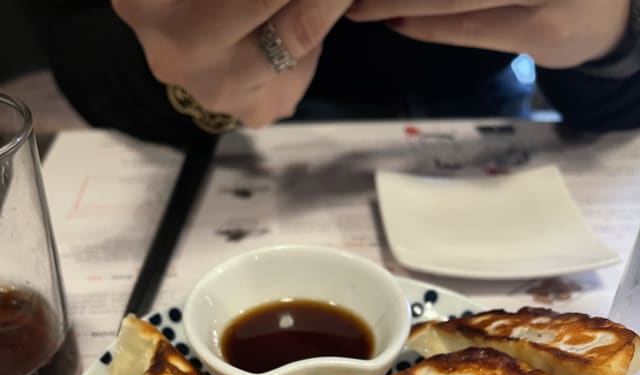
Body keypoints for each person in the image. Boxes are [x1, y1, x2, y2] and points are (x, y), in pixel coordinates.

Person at [36, 0, 640, 150]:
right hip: (235, 157)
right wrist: (192, 85)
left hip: (489, 108)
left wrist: (619, 31)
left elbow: (614, 119)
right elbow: (79, 47)